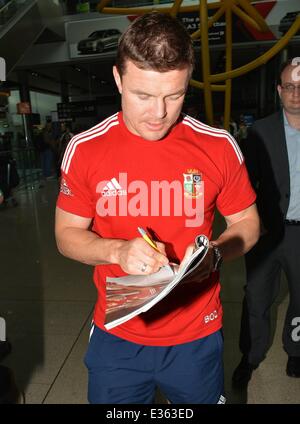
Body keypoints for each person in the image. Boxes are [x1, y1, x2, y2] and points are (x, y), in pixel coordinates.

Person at [55, 12, 259, 404]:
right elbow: (66, 236)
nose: (159, 113)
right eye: (143, 95)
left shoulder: (217, 146)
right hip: (119, 333)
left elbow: (247, 222)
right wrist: (116, 250)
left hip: (197, 334)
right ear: (118, 78)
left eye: (174, 95)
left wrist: (216, 253)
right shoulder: (86, 149)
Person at [232, 59, 300, 388]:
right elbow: (246, 183)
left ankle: (296, 350)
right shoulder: (261, 131)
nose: (295, 94)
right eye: (289, 86)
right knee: (256, 296)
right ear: (279, 90)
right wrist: (252, 222)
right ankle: (250, 355)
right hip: (268, 232)